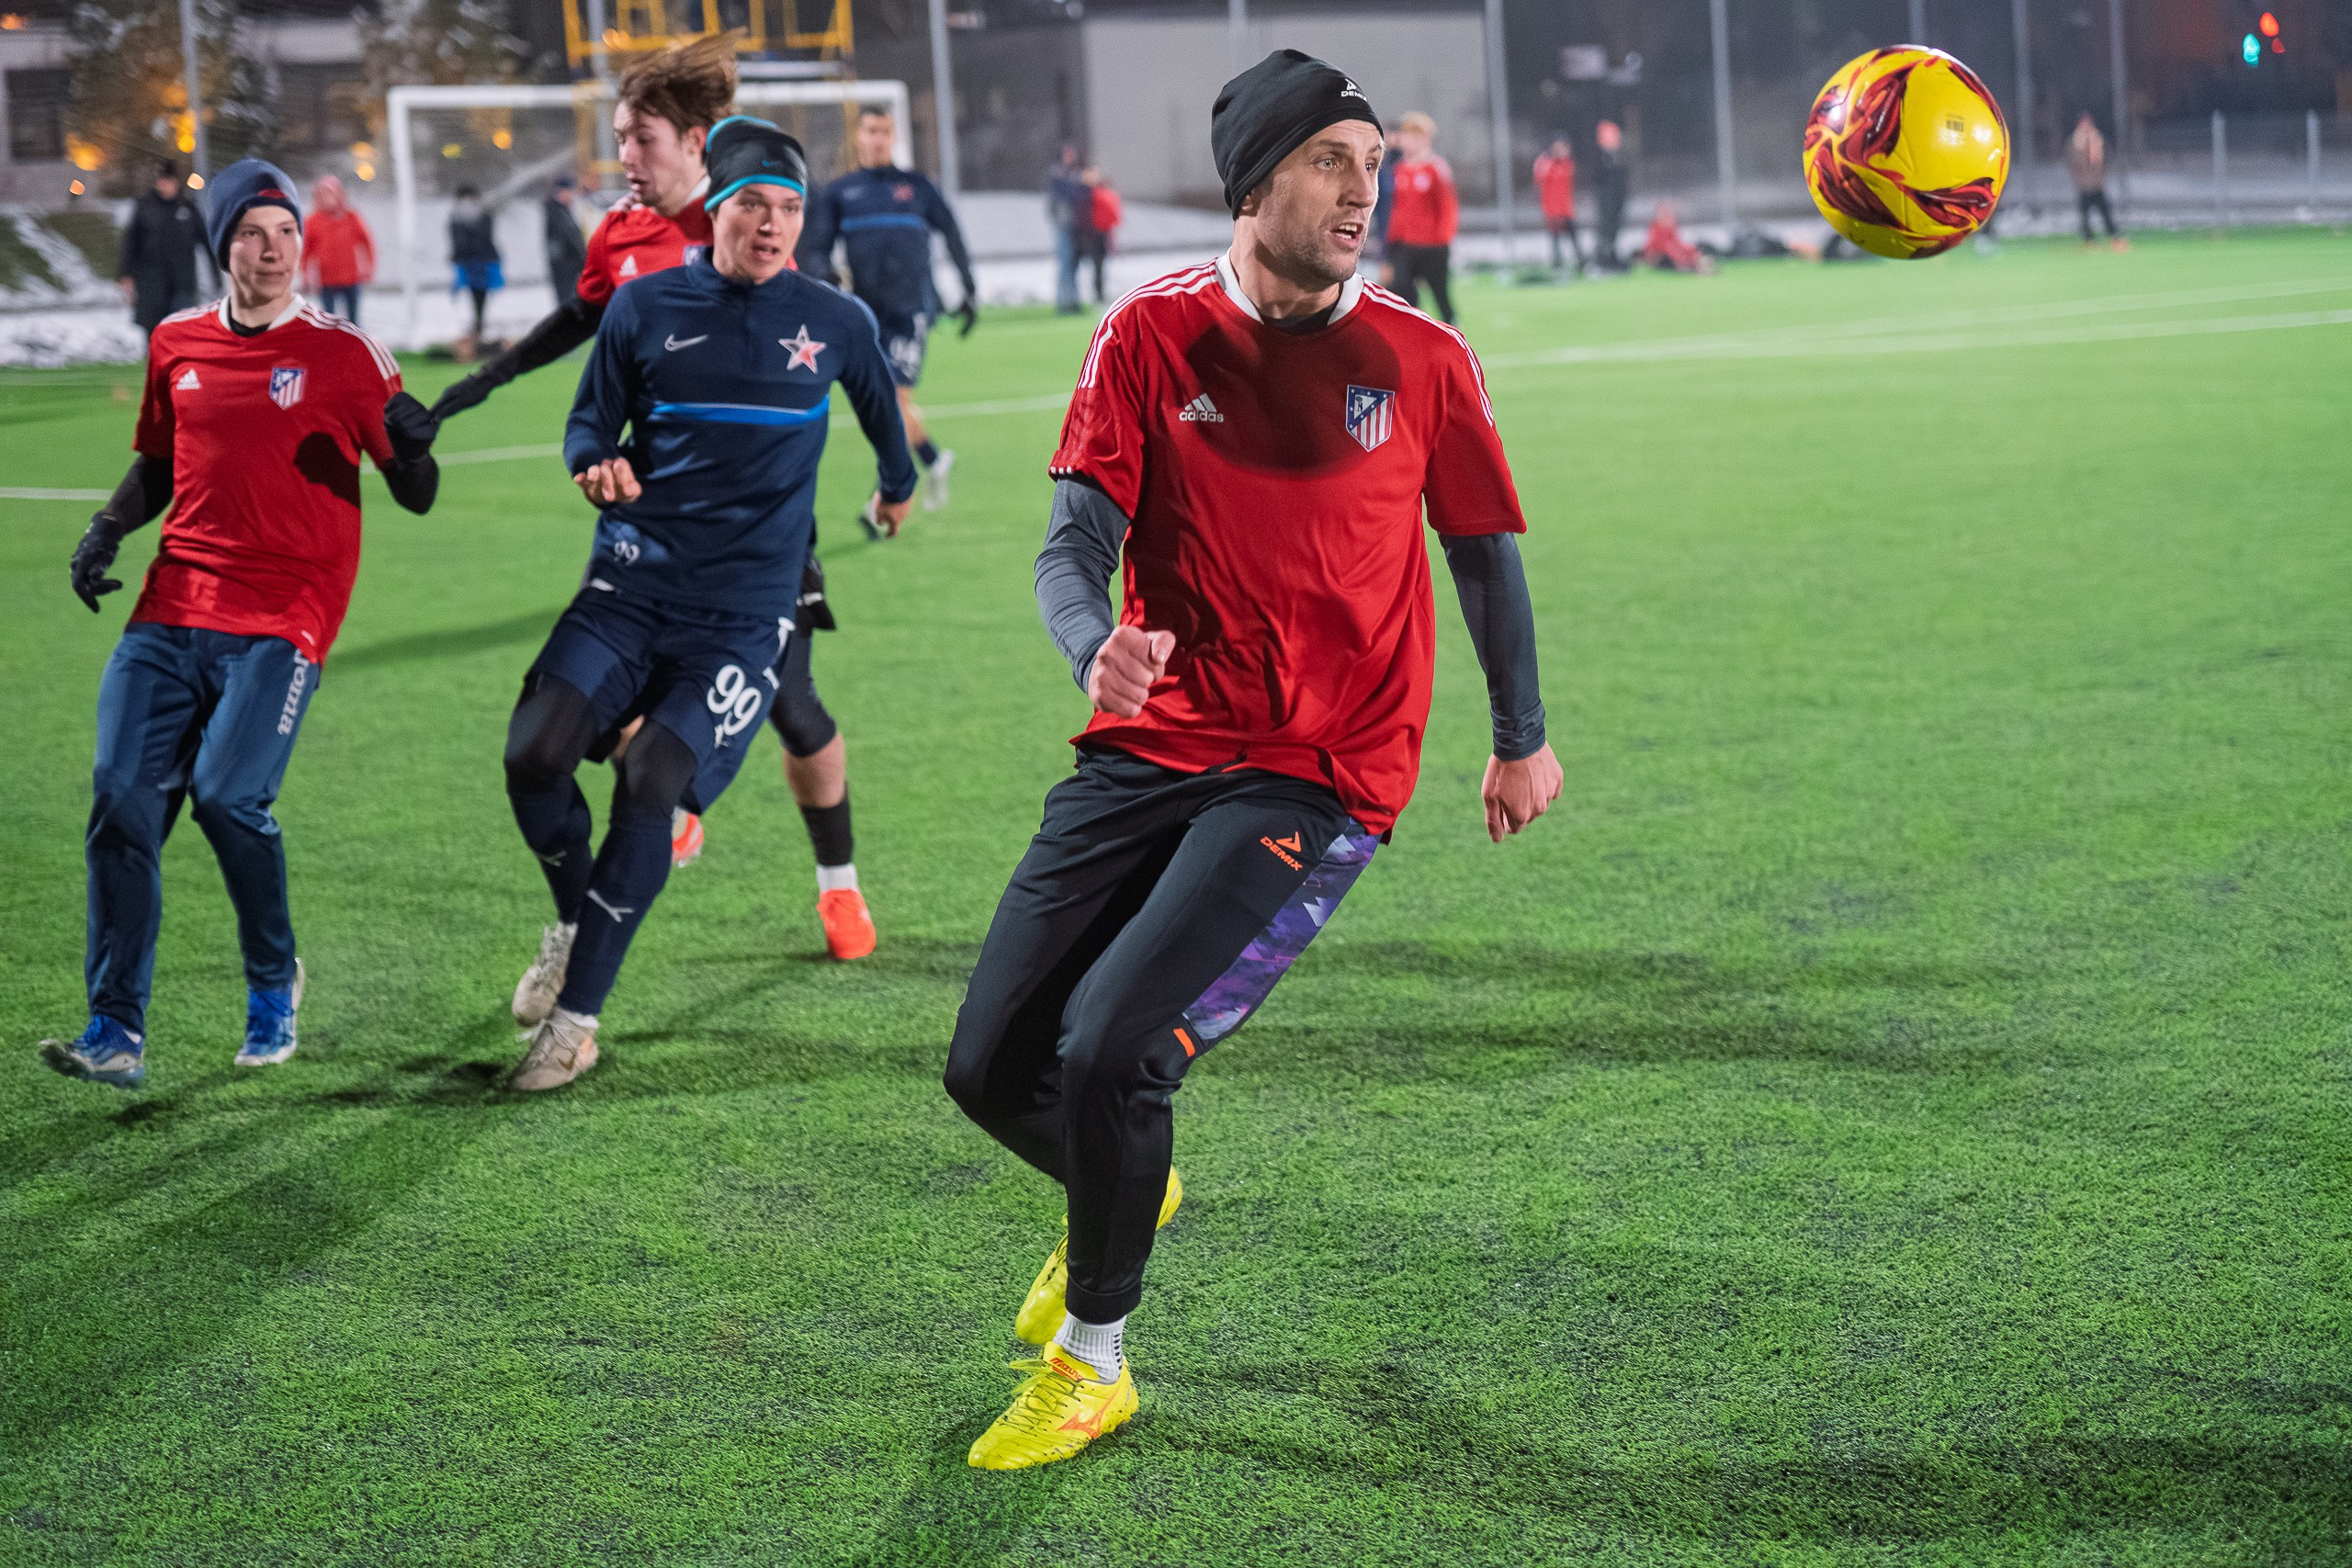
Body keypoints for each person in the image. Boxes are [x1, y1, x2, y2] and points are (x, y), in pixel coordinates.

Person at [944, 49, 1561, 1470]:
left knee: (1114, 1049)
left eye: (1373, 164)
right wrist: (1091, 643)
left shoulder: (1423, 358)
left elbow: (1484, 558)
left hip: (1320, 765)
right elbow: (1069, 544)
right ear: (1256, 182)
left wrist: (1519, 737)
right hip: (1150, 741)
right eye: (1333, 162)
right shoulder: (1147, 336)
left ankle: (1094, 1360)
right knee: (986, 1066)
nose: (1366, 189)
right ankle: (1124, 1189)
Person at [498, 118, 917, 1092]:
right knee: (532, 755)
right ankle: (572, 920)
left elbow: (880, 415)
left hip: (744, 615)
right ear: (715, 208)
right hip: (628, 586)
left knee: (651, 776)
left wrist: (895, 487)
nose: (772, 225)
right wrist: (591, 465)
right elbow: (589, 422)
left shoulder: (834, 319)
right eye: (753, 205)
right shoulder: (643, 308)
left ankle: (576, 1021)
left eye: (789, 209)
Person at [419, 37, 874, 923]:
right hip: (653, 534)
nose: (623, 156)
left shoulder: (748, 219)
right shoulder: (622, 236)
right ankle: (657, 810)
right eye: (621, 137)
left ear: (699, 142)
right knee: (618, 699)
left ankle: (835, 883)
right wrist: (471, 389)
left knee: (793, 704)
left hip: (755, 534)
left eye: (641, 138)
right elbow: (577, 321)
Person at [40, 158, 439, 1089]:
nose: (274, 250)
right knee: (121, 798)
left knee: (226, 796)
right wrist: (105, 528)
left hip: (286, 613)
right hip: (174, 602)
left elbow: (415, 495)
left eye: (286, 232)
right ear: (223, 244)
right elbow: (157, 464)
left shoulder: (347, 355)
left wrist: (416, 448)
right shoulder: (177, 342)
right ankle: (114, 1030)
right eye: (253, 233)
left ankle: (272, 985)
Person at [797, 103, 978, 521]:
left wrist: (968, 288)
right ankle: (932, 460)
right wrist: (826, 279)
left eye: (885, 131)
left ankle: (886, 496)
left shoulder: (917, 187)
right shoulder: (843, 192)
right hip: (867, 314)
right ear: (858, 137)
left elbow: (951, 232)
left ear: (895, 137)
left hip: (911, 310)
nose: (878, 138)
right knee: (882, 404)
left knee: (893, 401)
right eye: (870, 131)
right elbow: (817, 247)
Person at [1384, 110, 1457, 323]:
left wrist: (1443, 240)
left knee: (1440, 295)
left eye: (1416, 137)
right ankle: (1413, 336)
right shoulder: (1398, 170)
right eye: (1407, 136)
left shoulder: (1436, 168)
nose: (1411, 142)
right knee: (1402, 293)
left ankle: (1453, 334)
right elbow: (1396, 210)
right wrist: (1391, 242)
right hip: (1405, 246)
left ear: (1426, 139)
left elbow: (1447, 209)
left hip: (1433, 246)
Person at [118, 161, 204, 337]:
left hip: (182, 284)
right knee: (155, 334)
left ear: (176, 182)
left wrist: (219, 270)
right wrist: (126, 274)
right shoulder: (144, 207)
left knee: (182, 333)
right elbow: (131, 243)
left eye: (168, 181)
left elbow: (206, 239)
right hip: (152, 284)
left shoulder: (187, 208)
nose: (164, 186)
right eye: (161, 181)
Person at [302, 174, 375, 322]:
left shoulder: (351, 217)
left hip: (351, 278)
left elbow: (367, 244)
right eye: (324, 194)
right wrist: (305, 276)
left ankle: (354, 345)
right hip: (326, 280)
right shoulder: (313, 221)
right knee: (329, 321)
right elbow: (305, 252)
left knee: (354, 322)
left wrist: (369, 268)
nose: (328, 198)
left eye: (331, 193)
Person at [447, 186, 503, 352]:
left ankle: (478, 331)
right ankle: (476, 332)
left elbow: (484, 239)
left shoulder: (481, 217)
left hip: (481, 264)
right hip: (470, 264)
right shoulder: (457, 218)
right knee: (475, 299)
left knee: (481, 298)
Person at [2070, 111, 2124, 248]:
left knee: (2105, 212)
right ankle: (2088, 240)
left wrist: (2101, 177)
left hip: (2098, 184)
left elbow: (2106, 161)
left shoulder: (2098, 139)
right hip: (2084, 186)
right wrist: (2080, 180)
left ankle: (2114, 236)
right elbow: (2071, 163)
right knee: (2085, 215)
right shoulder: (2074, 142)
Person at [1046, 143, 1087, 314]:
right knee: (1065, 265)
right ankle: (1064, 303)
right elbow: (1060, 198)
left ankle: (1073, 301)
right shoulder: (1058, 176)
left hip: (1076, 228)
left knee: (1074, 266)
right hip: (1064, 227)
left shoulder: (1075, 175)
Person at [1533, 136, 1584, 273]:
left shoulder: (1567, 164)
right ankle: (1557, 265)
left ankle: (1580, 264)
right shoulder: (1546, 163)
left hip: (1566, 209)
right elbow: (1539, 178)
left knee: (1573, 236)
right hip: (1552, 210)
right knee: (1555, 238)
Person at [1074, 163, 1116, 305]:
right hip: (1088, 233)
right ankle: (1088, 296)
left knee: (1099, 265)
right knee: (1088, 265)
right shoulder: (1083, 192)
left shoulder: (1098, 191)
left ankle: (1099, 295)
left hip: (1099, 232)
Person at [1590, 118, 1629, 271]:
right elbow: (1601, 182)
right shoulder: (1600, 159)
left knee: (1614, 230)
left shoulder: (1620, 157)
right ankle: (1602, 259)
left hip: (1617, 202)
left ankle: (1611, 257)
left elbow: (1622, 182)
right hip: (1607, 203)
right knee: (1604, 231)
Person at [543, 175, 589, 305]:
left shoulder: (563, 211)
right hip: (565, 269)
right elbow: (566, 239)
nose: (572, 196)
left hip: (571, 267)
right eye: (570, 192)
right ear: (561, 192)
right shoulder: (555, 212)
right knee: (567, 305)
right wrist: (578, 259)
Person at [1639, 199, 1712, 274]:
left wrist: (1692, 251)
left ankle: (1702, 268)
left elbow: (1678, 244)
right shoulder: (1655, 231)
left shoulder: (1671, 230)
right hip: (1665, 259)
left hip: (1675, 257)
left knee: (1699, 254)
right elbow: (1661, 247)